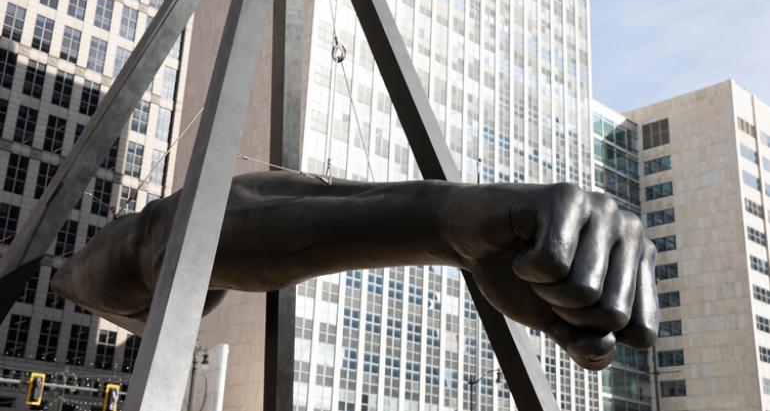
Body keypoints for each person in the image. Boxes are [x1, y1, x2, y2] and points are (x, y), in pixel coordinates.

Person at [52, 171, 658, 370]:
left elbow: (185, 229)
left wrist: (451, 228)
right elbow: (160, 239)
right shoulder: (91, 270)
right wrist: (443, 225)